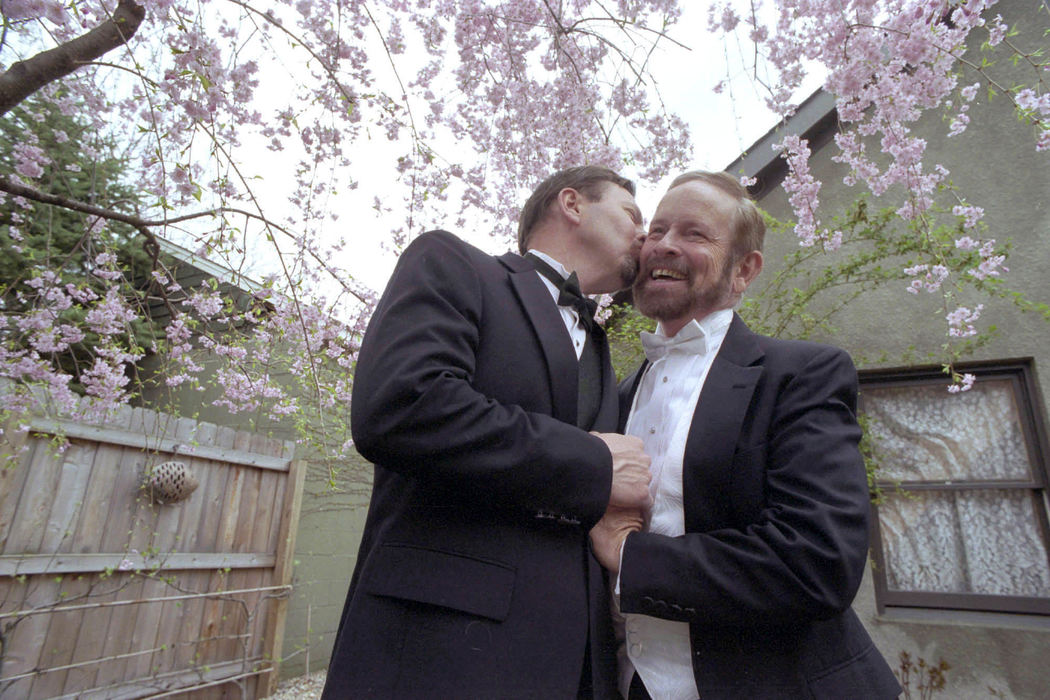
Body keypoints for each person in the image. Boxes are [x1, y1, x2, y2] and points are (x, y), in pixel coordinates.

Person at [322, 166, 653, 699]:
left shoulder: (601, 348)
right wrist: (592, 463)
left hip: (572, 666)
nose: (645, 233)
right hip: (438, 652)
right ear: (572, 204)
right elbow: (402, 405)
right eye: (632, 215)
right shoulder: (453, 263)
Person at [589, 171, 901, 699]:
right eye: (657, 230)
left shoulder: (801, 375)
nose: (664, 245)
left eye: (694, 234)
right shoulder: (611, 397)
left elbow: (817, 563)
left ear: (744, 270)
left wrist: (631, 557)